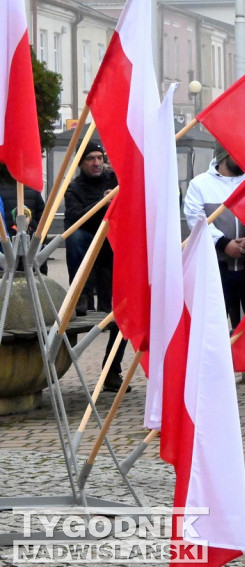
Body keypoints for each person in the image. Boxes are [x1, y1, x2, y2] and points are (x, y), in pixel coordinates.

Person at [183, 145, 245, 388]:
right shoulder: (200, 184)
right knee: (215, 319)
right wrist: (224, 243)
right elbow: (196, 219)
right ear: (224, 154)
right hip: (217, 264)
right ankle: (214, 371)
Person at [62, 141, 127, 392]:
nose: (97, 163)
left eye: (100, 157)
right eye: (90, 158)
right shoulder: (74, 189)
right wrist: (102, 205)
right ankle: (80, 293)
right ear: (80, 163)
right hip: (88, 253)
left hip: (113, 255)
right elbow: (74, 222)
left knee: (121, 316)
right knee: (77, 237)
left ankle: (112, 370)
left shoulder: (115, 179)